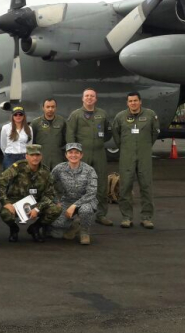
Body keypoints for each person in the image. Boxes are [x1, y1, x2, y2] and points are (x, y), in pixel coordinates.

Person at [112, 92, 160, 229]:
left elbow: (155, 133)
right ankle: (126, 217)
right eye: (130, 101)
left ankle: (147, 218)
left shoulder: (150, 115)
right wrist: (125, 148)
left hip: (144, 155)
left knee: (146, 186)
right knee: (125, 186)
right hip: (127, 156)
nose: (133, 103)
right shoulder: (120, 117)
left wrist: (145, 146)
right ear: (127, 103)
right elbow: (116, 134)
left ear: (140, 102)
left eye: (135, 100)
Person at [66, 88, 113, 226]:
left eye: (92, 96)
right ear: (82, 98)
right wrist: (74, 154)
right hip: (82, 154)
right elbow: (70, 135)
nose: (89, 98)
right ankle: (79, 214)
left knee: (101, 184)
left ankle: (101, 214)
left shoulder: (102, 114)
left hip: (99, 153)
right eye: (87, 96)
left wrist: (98, 143)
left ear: (96, 99)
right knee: (79, 184)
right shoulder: (75, 115)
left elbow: (108, 133)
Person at [0, 144, 62, 243]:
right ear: (26, 156)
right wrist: (5, 202)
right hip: (17, 200)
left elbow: (49, 194)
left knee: (56, 209)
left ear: (41, 156)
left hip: (37, 201)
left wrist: (37, 208)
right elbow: (0, 181)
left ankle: (35, 228)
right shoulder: (18, 167)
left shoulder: (45, 171)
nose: (35, 158)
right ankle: (14, 229)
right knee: (5, 213)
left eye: (37, 155)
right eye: (32, 155)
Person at [49, 143, 98, 245]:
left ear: (81, 155)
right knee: (56, 228)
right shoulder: (59, 168)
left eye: (77, 153)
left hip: (86, 201)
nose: (73, 155)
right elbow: (48, 185)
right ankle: (74, 225)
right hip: (67, 200)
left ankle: (84, 232)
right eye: (70, 152)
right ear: (66, 155)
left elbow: (91, 192)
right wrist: (56, 201)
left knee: (85, 210)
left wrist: (75, 205)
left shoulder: (89, 170)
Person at [30, 98, 67, 171]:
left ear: (56, 108)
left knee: (57, 180)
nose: (50, 109)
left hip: (57, 158)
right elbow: (31, 141)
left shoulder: (62, 121)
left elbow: (65, 139)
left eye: (53, 107)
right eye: (48, 107)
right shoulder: (36, 123)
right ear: (43, 108)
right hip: (42, 158)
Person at [0, 106, 32, 170]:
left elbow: (29, 144)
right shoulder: (5, 128)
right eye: (15, 114)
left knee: (23, 178)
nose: (18, 116)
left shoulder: (29, 128)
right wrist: (8, 154)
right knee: (9, 178)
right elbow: (3, 145)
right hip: (10, 157)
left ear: (24, 116)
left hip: (24, 157)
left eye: (20, 114)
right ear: (12, 116)